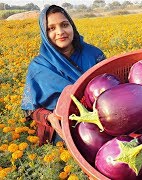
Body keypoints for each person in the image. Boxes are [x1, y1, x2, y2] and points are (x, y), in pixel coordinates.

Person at [21, 5, 106, 146]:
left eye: (64, 25)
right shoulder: (39, 66)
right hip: (65, 131)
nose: (60, 32)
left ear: (72, 25)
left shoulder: (93, 54)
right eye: (51, 28)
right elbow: (29, 108)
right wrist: (49, 117)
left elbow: (111, 84)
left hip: (104, 121)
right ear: (44, 33)